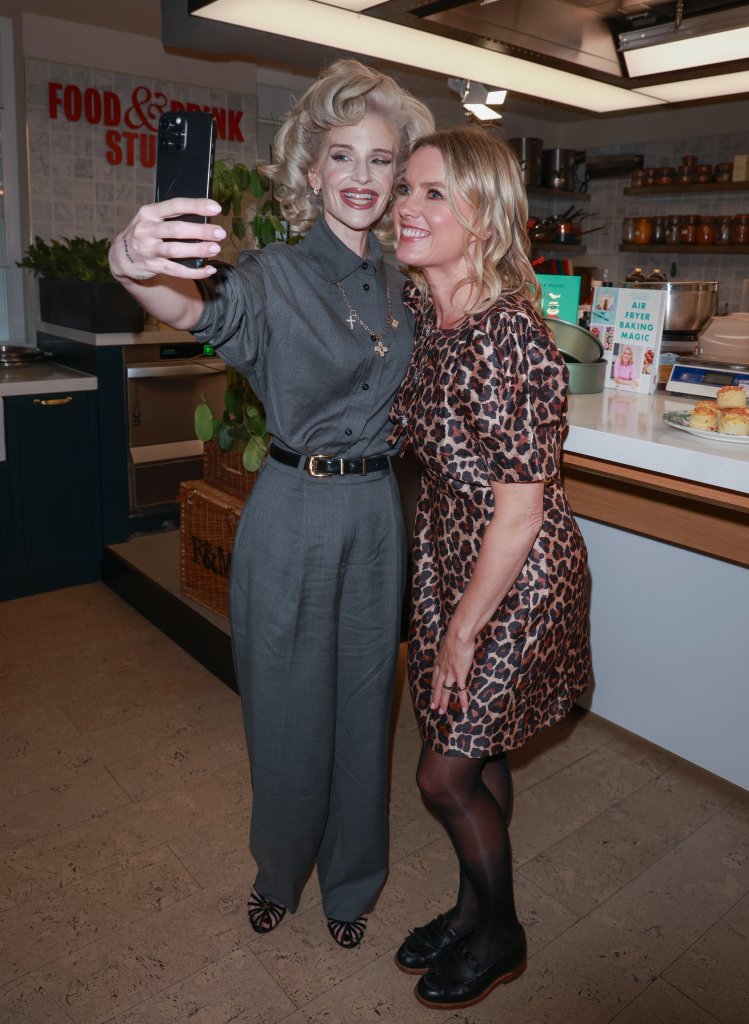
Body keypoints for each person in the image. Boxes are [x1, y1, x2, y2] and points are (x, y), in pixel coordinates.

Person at [108, 60, 434, 949]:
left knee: (367, 706)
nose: (361, 178)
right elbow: (189, 304)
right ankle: (278, 873)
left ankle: (352, 883)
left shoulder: (410, 285)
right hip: (291, 511)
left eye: (379, 160)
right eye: (342, 157)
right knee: (286, 711)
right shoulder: (275, 275)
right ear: (312, 169)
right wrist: (129, 259)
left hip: (375, 516)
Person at [387, 127, 592, 1009]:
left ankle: (499, 930)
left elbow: (520, 510)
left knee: (443, 770)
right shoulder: (427, 317)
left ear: (484, 219)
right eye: (407, 188)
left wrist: (460, 634)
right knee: (472, 747)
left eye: (434, 194)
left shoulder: (507, 337)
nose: (406, 205)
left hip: (515, 576)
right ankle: (473, 912)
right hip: (448, 562)